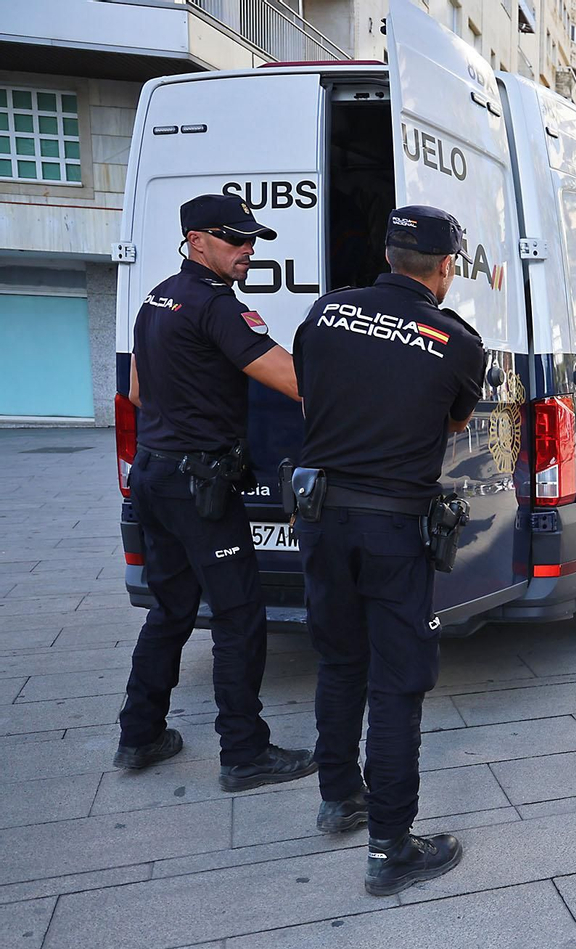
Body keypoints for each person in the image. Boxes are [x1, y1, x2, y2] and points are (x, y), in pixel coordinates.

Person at [292, 205, 486, 895]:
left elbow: (312, 400)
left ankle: (339, 797)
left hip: (321, 517)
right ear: (444, 268)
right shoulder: (457, 342)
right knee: (397, 682)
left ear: (386, 254)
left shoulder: (325, 313)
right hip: (394, 527)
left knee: (340, 660)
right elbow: (455, 419)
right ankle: (389, 849)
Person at [113, 193, 316, 791]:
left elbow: (137, 392)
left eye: (252, 240)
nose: (247, 250)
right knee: (239, 613)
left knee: (170, 608)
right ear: (196, 239)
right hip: (197, 483)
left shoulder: (158, 298)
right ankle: (245, 753)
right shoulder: (219, 306)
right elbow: (294, 380)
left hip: (154, 474)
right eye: (235, 239)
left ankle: (139, 734)